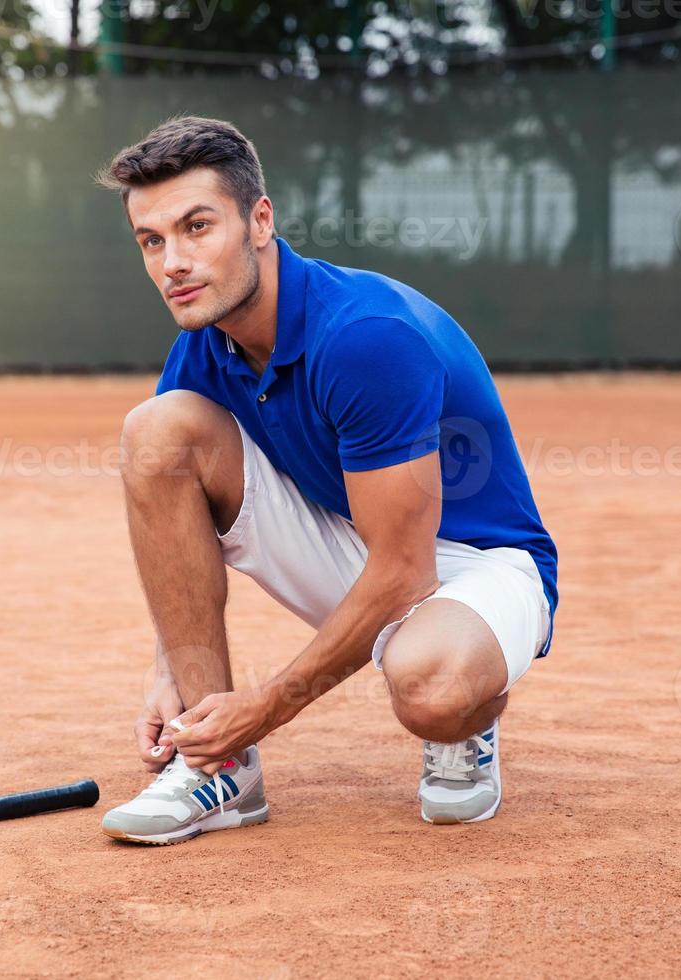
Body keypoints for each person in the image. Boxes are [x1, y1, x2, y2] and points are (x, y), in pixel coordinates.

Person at [93, 116, 557, 844]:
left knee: (432, 689)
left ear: (260, 221)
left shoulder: (366, 336)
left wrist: (264, 708)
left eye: (197, 227)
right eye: (151, 241)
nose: (173, 262)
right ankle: (218, 767)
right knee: (156, 430)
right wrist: (174, 678)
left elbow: (405, 571)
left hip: (475, 562)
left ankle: (469, 721)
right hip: (354, 540)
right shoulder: (208, 343)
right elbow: (175, 523)